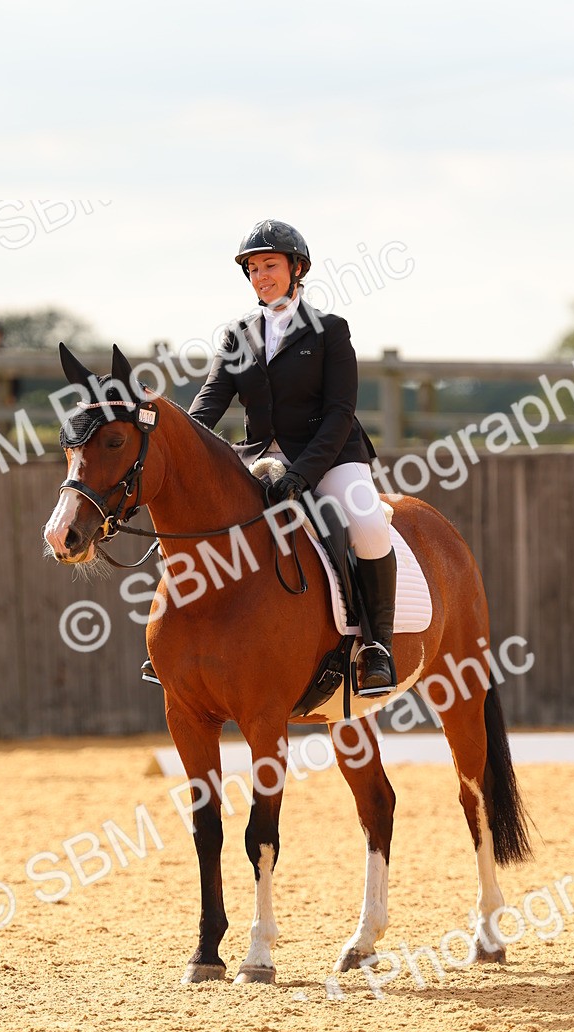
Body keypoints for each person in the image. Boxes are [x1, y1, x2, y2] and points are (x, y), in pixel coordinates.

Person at [185, 218, 397, 696]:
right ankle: (183, 641)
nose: (261, 276)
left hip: (330, 452)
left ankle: (376, 646)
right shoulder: (238, 335)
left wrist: (304, 473)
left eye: (270, 266)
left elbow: (340, 412)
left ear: (296, 268)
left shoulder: (330, 331)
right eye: (254, 269)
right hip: (258, 454)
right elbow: (210, 402)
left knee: (365, 520)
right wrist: (180, 441)